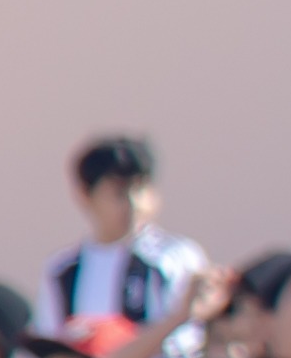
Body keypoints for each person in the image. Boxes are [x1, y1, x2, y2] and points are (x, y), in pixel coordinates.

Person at [49, 136, 208, 343]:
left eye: (140, 189)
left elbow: (189, 338)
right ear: (86, 196)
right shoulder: (64, 270)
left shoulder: (175, 257)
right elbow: (51, 342)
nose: (133, 204)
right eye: (119, 193)